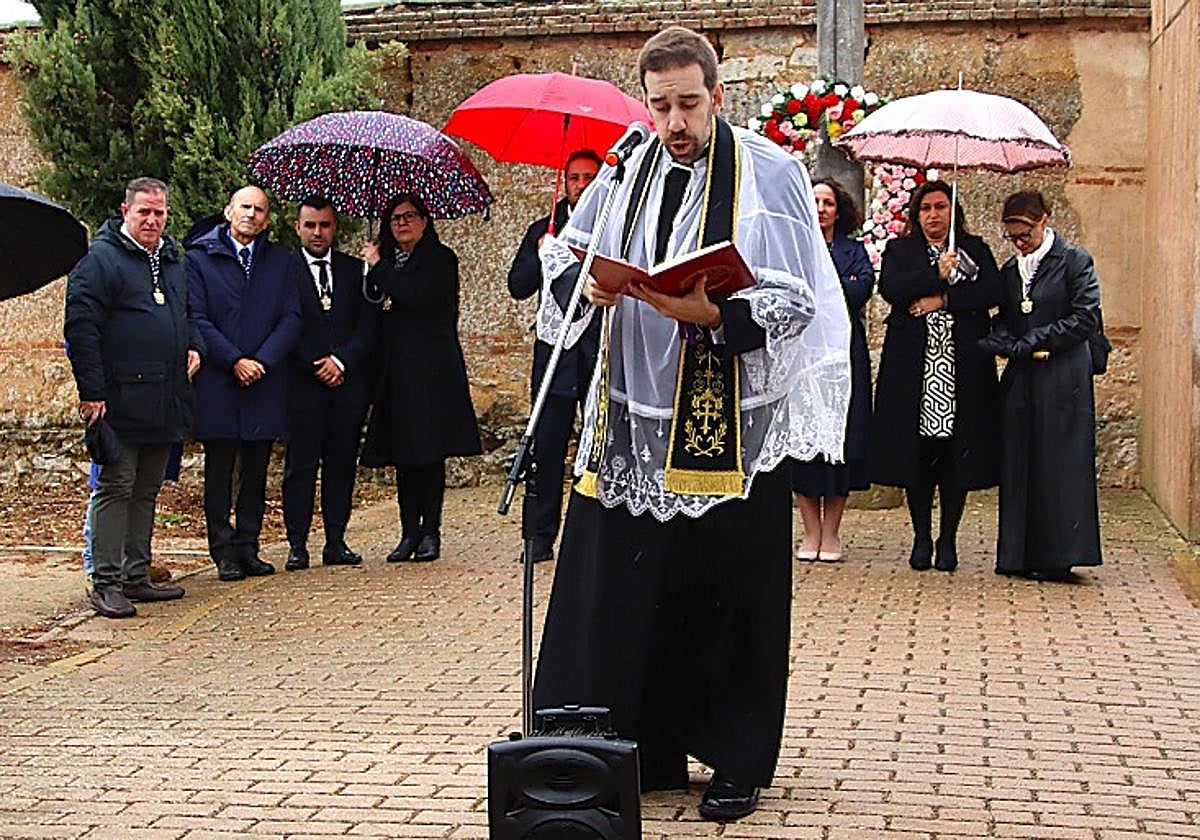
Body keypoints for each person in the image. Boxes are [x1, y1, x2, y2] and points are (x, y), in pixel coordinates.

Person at [531, 27, 850, 822]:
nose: (674, 122)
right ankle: (641, 743)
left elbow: (798, 294)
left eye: (688, 104)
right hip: (635, 416)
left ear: (717, 94)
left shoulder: (768, 172)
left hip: (728, 417)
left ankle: (737, 756)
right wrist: (590, 281)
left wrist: (717, 313)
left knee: (725, 589)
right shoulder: (628, 168)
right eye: (660, 104)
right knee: (636, 581)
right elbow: (567, 255)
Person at [64, 176, 201, 618]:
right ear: (125, 211)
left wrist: (193, 344)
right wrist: (93, 392)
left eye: (160, 212)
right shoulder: (100, 261)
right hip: (119, 398)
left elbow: (186, 313)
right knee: (116, 486)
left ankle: (136, 575)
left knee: (147, 489)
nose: (152, 220)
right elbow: (82, 329)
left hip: (165, 395)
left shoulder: (173, 258)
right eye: (144, 211)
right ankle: (105, 582)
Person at [869, 180, 1002, 573]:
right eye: (926, 208)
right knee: (919, 455)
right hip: (916, 370)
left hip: (959, 369)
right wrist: (935, 273)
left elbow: (992, 291)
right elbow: (891, 288)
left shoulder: (973, 249)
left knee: (954, 456)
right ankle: (921, 537)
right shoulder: (901, 250)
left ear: (952, 211)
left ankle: (948, 539)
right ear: (916, 213)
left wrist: (944, 299)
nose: (933, 215)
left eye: (940, 207)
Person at [982, 190, 1103, 580]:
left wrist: (1039, 338)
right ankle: (1017, 554)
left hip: (1063, 375)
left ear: (1045, 220)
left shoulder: (1074, 262)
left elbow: (1086, 317)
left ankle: (1058, 556)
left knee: (1058, 462)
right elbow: (1003, 320)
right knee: (1020, 459)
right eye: (1012, 236)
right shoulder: (1009, 271)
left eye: (1026, 234)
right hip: (1023, 376)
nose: (1020, 242)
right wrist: (1005, 341)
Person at [187, 185, 302, 581]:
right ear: (228, 211)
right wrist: (234, 359)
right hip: (220, 379)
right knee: (219, 471)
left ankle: (249, 545)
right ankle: (223, 550)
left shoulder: (281, 262)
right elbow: (197, 318)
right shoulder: (199, 260)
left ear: (267, 220)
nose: (251, 215)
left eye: (259, 210)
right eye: (245, 207)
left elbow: (292, 318)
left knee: (256, 468)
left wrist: (262, 361)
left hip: (265, 380)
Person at [360, 193, 482, 563]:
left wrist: (380, 267)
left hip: (431, 368)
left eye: (410, 216)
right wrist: (373, 270)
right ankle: (408, 531)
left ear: (425, 221)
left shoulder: (441, 260)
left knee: (428, 452)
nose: (402, 223)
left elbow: (417, 297)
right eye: (395, 218)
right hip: (396, 368)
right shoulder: (383, 262)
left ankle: (431, 531)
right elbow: (376, 303)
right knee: (403, 453)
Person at [506, 149, 602, 563]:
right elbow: (517, 286)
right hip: (555, 355)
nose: (581, 186)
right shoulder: (543, 228)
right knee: (547, 445)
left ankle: (589, 539)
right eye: (575, 178)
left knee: (597, 444)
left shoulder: (610, 224)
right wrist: (543, 252)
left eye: (589, 178)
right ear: (564, 182)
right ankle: (538, 537)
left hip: (598, 348)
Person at [282, 197, 377, 571]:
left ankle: (336, 540)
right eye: (310, 225)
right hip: (302, 386)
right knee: (300, 466)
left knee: (341, 465)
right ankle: (297, 543)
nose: (317, 232)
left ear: (334, 228)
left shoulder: (355, 270)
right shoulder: (284, 271)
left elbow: (369, 326)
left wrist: (341, 361)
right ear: (298, 227)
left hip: (346, 385)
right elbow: (283, 324)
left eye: (324, 225)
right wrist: (313, 362)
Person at [792, 178, 875, 562]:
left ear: (838, 210)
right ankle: (810, 532)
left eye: (828, 202)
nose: (821, 208)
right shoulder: (794, 247)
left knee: (843, 440)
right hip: (805, 353)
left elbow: (861, 289)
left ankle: (831, 533)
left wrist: (824, 284)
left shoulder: (853, 250)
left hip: (845, 351)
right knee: (805, 436)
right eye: (815, 201)